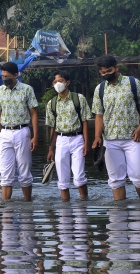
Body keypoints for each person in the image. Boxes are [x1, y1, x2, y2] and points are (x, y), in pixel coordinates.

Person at [91, 55, 140, 201]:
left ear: (116, 68)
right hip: (110, 141)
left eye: (109, 70)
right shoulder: (100, 89)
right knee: (116, 179)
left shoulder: (133, 83)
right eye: (103, 73)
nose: (106, 74)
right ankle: (119, 215)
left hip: (133, 138)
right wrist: (97, 136)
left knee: (138, 175)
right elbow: (99, 114)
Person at [0, 62, 39, 201]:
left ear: (16, 75)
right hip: (5, 133)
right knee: (5, 174)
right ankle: (6, 209)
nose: (4, 78)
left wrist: (35, 136)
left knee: (24, 172)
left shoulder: (27, 89)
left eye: (7, 76)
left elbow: (34, 113)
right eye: (2, 76)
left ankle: (27, 203)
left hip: (22, 131)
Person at [45, 70, 91, 201]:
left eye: (60, 81)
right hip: (60, 140)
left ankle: (84, 203)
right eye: (55, 82)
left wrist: (86, 143)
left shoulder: (78, 98)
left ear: (68, 83)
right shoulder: (51, 104)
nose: (57, 84)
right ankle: (65, 211)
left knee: (79, 176)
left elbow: (85, 122)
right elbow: (52, 128)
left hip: (77, 138)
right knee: (62, 177)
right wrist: (50, 149)